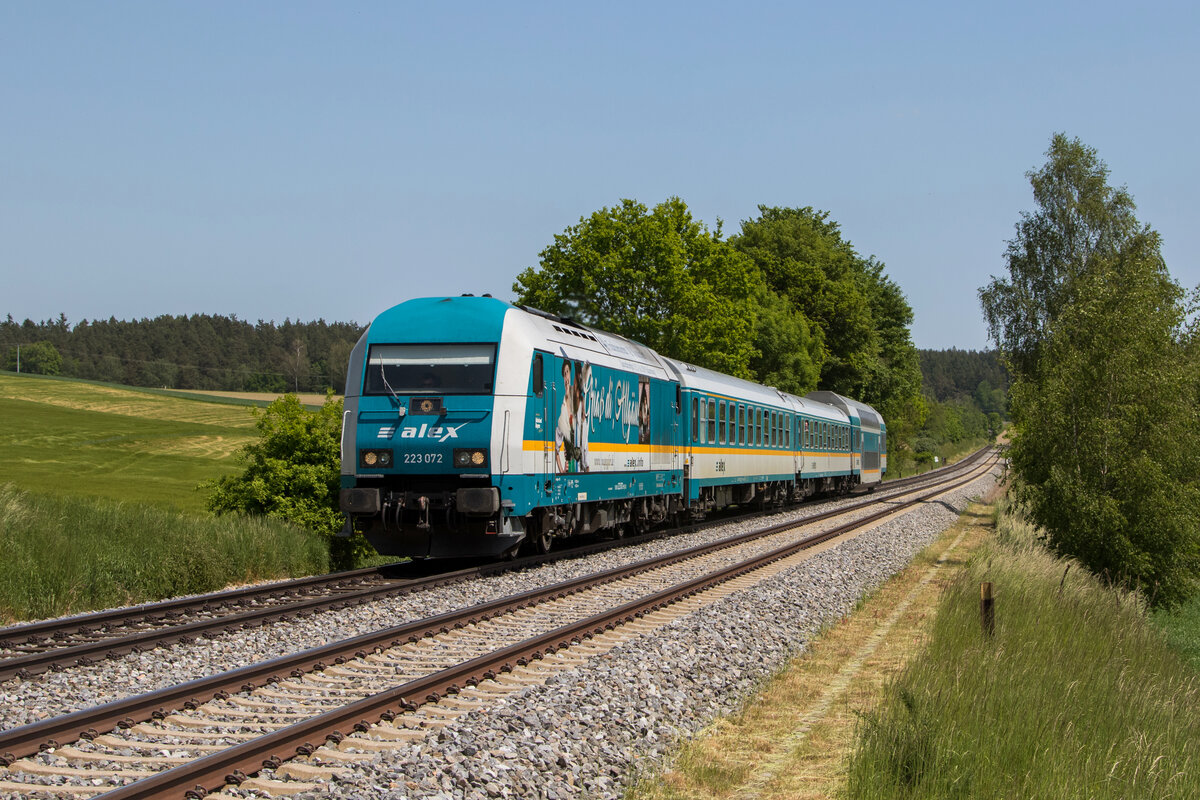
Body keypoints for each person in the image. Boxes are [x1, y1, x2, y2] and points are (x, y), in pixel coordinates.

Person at [555, 361, 576, 473]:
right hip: (569, 471)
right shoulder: (561, 415)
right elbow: (556, 449)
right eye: (564, 374)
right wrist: (562, 470)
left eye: (567, 372)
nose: (566, 377)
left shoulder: (577, 401)